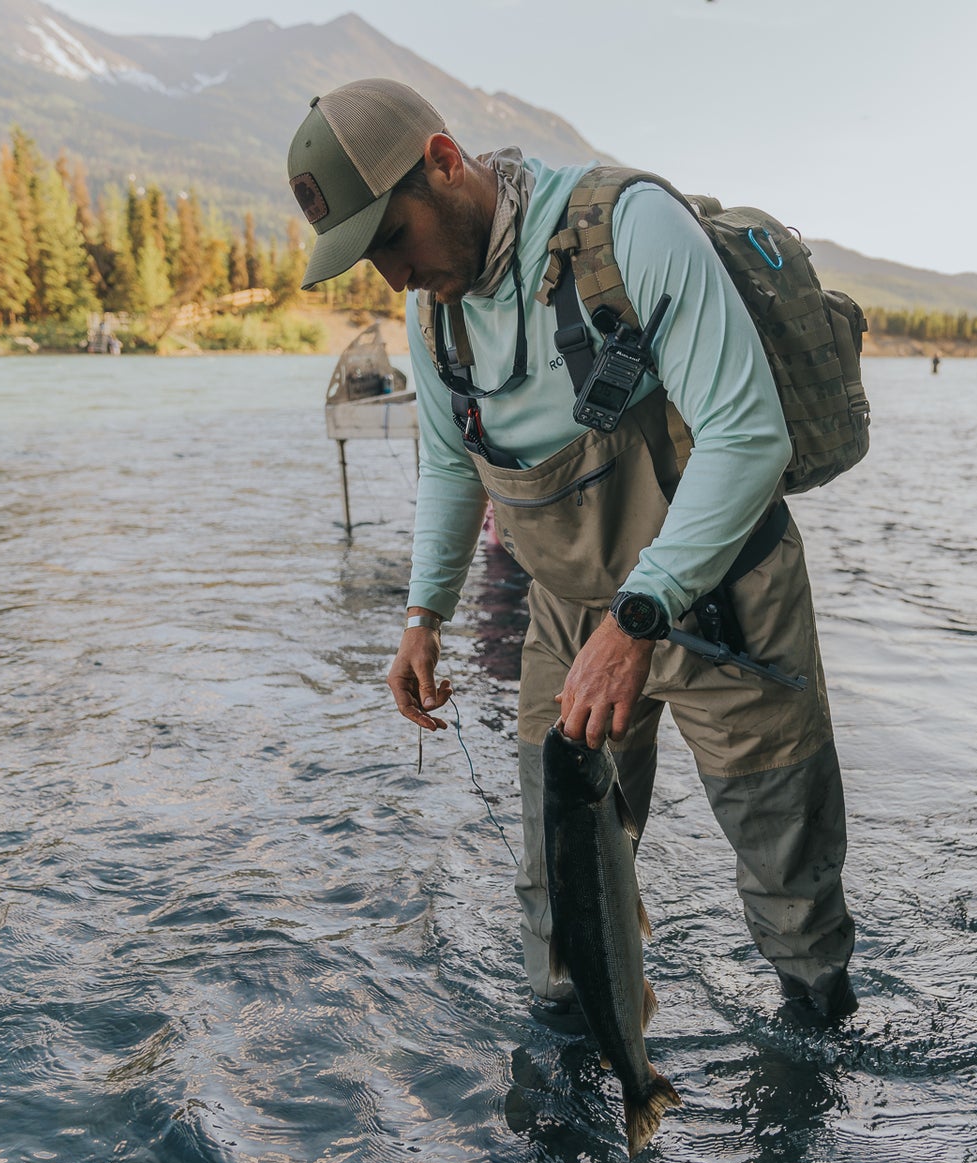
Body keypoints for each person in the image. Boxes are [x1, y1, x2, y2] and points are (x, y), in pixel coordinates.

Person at [286, 79, 857, 1020]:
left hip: (730, 603)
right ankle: (587, 1098)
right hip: (570, 613)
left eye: (392, 239)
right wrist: (424, 614)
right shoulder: (436, 312)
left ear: (442, 161)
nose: (391, 277)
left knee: (794, 898)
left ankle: (813, 1066)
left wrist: (639, 617)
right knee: (561, 891)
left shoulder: (630, 230)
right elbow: (450, 463)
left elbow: (749, 436)